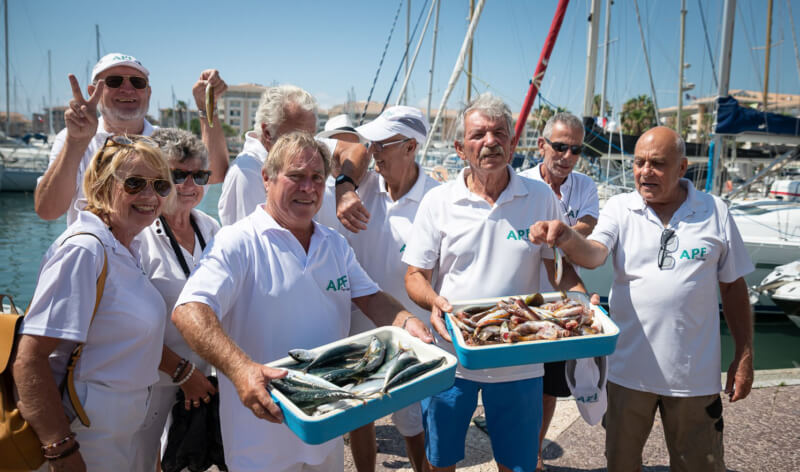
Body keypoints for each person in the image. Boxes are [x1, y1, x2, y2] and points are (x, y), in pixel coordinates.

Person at [171, 131, 434, 472]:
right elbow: (189, 310)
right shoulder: (236, 241)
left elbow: (370, 298)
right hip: (261, 434)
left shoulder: (335, 244)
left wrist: (404, 321)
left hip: (326, 427)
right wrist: (240, 370)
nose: (308, 188)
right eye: (296, 176)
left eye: (316, 178)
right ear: (266, 178)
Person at [530, 126, 755, 472]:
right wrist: (565, 237)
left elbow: (734, 286)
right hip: (626, 376)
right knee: (620, 464)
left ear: (682, 168)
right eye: (638, 163)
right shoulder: (621, 207)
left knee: (701, 465)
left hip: (694, 379)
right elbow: (593, 254)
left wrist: (743, 354)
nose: (645, 171)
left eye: (657, 164)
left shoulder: (715, 210)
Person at [402, 93, 590, 472]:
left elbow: (560, 268)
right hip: (451, 358)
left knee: (519, 464)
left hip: (519, 358)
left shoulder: (539, 196)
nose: (490, 142)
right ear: (459, 148)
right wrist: (434, 301)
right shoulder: (438, 202)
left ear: (513, 142)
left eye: (499, 133)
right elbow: (415, 276)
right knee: (440, 461)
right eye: (478, 135)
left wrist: (584, 302)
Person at [12, 135, 174, 470]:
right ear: (100, 186)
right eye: (134, 183)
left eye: (160, 185)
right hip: (84, 437)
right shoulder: (85, 250)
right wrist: (61, 449)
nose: (150, 195)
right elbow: (30, 359)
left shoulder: (128, 247)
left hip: (118, 432)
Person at [332, 106, 438, 472]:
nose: (374, 149)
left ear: (411, 147)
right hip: (358, 325)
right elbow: (350, 149)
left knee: (413, 424)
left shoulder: (437, 200)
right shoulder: (363, 183)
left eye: (383, 143)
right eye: (373, 141)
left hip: (411, 327)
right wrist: (343, 187)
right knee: (360, 414)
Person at [34, 53, 228, 225]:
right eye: (114, 81)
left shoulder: (167, 141)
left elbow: (214, 174)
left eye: (137, 82)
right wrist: (76, 142)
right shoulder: (72, 139)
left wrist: (206, 106)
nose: (127, 89)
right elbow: (48, 210)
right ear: (93, 91)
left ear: (148, 92)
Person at [134, 128, 223, 470]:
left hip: (200, 380)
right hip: (151, 384)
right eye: (177, 175)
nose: (190, 184)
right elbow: (130, 325)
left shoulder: (210, 227)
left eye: (199, 175)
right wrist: (183, 374)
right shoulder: (140, 236)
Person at [519, 112, 599, 471]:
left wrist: (558, 231)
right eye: (560, 146)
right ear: (542, 145)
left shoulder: (586, 187)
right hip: (523, 299)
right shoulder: (519, 184)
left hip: (561, 301)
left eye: (575, 149)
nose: (567, 155)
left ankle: (534, 452)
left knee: (549, 387)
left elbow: (586, 227)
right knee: (518, 384)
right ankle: (517, 448)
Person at [217, 87, 369, 228]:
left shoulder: (307, 145)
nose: (306, 142)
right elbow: (253, 243)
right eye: (297, 135)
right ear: (268, 132)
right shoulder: (246, 172)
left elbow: (356, 149)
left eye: (311, 135)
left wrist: (345, 187)